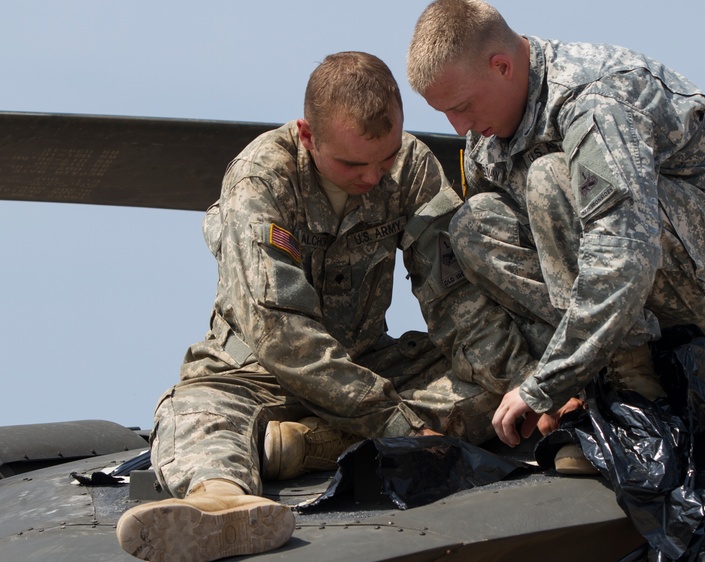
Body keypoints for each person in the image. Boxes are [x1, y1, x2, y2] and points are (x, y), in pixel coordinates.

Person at [116, 51, 538, 562]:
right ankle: (221, 504)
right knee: (193, 417)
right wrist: (397, 425)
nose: (373, 178)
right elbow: (280, 334)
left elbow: (457, 301)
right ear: (308, 135)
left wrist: (529, 382)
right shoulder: (260, 180)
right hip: (254, 374)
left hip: (365, 363)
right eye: (353, 164)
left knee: (495, 388)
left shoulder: (412, 166)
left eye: (384, 159)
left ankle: (317, 442)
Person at [407, 0, 705, 456]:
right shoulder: (489, 135)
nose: (460, 126)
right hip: (635, 276)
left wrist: (548, 382)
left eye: (463, 107)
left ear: (502, 66)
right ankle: (593, 384)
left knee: (551, 179)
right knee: (475, 224)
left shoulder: (595, 100)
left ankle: (632, 394)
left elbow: (622, 254)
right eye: (446, 112)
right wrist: (533, 376)